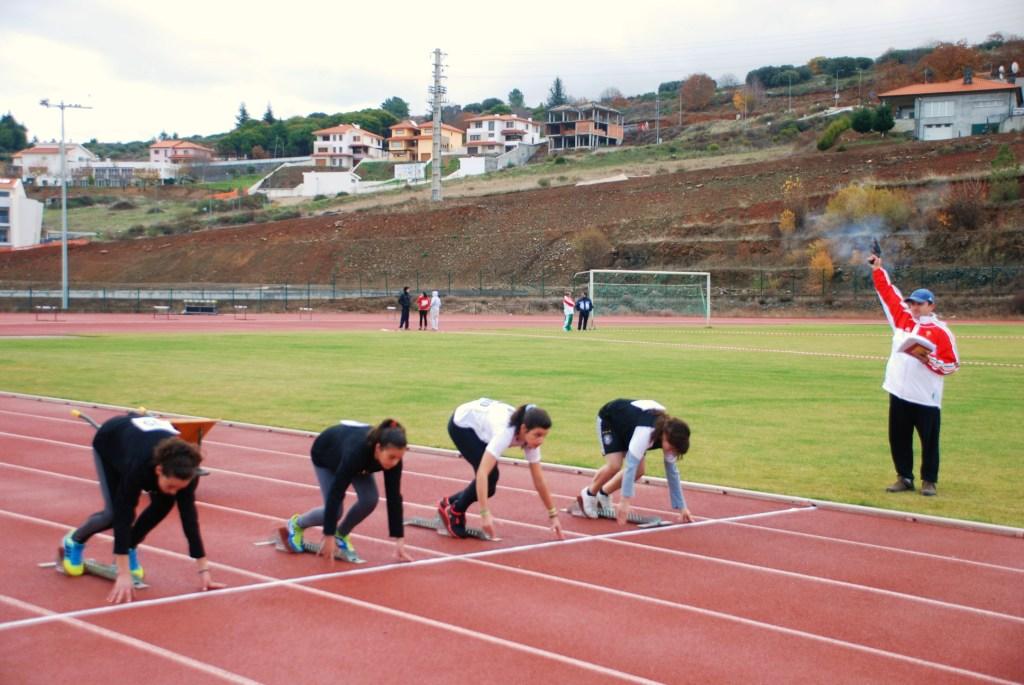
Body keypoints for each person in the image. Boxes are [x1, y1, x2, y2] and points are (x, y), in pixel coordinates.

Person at [62, 412, 224, 604]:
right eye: (171, 485)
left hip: (141, 441)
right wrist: (123, 573)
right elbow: (125, 514)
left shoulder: (188, 473)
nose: (174, 491)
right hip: (110, 442)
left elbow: (189, 518)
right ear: (158, 471)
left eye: (179, 488)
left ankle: (130, 547)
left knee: (165, 503)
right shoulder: (138, 466)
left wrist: (203, 569)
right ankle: (75, 540)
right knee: (113, 514)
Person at [870, 254, 959, 496]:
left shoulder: (941, 332)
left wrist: (929, 360)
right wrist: (878, 269)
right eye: (912, 303)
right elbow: (888, 295)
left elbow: (952, 364)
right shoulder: (902, 320)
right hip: (899, 390)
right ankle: (904, 476)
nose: (914, 307)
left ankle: (929, 480)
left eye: (919, 304)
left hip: (925, 395)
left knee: (929, 440)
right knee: (898, 437)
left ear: (931, 305)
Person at [286, 419, 412, 562]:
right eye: (391, 457)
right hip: (326, 454)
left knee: (369, 499)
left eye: (399, 458)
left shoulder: (392, 458)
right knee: (336, 510)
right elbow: (336, 492)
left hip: (356, 461)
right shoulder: (356, 453)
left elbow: (394, 496)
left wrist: (399, 539)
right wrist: (328, 534)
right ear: (378, 448)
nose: (394, 462)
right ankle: (296, 524)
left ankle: (341, 534)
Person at [437, 399, 564, 541]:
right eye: (538, 435)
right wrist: (484, 513)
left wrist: (553, 515)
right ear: (523, 429)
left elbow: (539, 479)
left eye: (544, 436)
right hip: (462, 425)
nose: (541, 441)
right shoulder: (505, 432)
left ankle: (450, 502)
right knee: (490, 477)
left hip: (482, 425)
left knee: (489, 488)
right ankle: (455, 511)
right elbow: (482, 473)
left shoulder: (530, 437)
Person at [579, 399, 692, 525]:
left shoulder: (670, 438)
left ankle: (603, 494)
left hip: (631, 429)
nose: (671, 451)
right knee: (615, 465)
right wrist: (624, 501)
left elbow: (672, 473)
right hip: (611, 419)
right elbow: (630, 466)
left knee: (640, 471)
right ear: (665, 435)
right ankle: (589, 494)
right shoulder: (646, 432)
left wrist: (682, 508)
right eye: (671, 448)